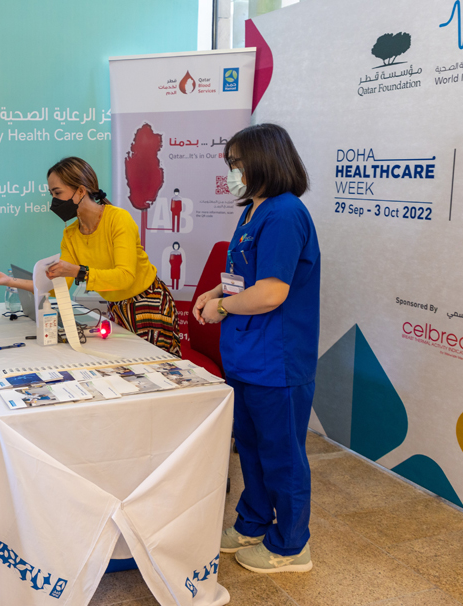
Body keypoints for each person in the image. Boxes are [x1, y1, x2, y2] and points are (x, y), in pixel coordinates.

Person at [192, 123, 320, 574]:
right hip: (246, 357)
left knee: (281, 454)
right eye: (230, 164)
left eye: (237, 163)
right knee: (250, 447)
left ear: (265, 160)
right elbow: (242, 277)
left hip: (277, 360)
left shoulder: (285, 214)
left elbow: (271, 292)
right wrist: (213, 293)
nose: (232, 172)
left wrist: (223, 307)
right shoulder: (252, 212)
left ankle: (290, 547)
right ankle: (251, 523)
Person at [0, 157, 181, 356]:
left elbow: (124, 277)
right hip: (118, 308)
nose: (54, 201)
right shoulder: (71, 233)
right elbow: (57, 288)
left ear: (81, 191)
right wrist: (8, 281)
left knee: (158, 368)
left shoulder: (118, 219)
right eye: (52, 194)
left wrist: (78, 271)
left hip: (149, 304)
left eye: (58, 193)